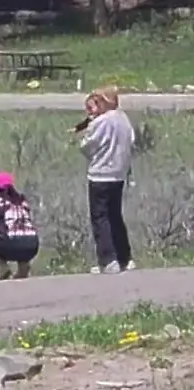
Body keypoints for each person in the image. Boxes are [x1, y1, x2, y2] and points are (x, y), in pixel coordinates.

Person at [79, 87, 137, 274]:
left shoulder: (101, 122)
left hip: (100, 174)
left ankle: (108, 259)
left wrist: (85, 137)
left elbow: (88, 147)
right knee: (115, 216)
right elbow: (132, 140)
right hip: (119, 174)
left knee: (100, 217)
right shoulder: (123, 119)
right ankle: (124, 258)